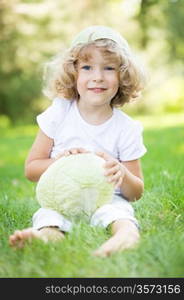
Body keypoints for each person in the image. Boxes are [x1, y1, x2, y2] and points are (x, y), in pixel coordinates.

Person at [9, 25, 147, 257]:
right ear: (73, 74)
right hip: (62, 198)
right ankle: (45, 236)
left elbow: (136, 193)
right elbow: (31, 170)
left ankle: (125, 236)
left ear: (123, 75)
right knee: (49, 216)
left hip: (107, 197)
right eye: (87, 67)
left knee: (121, 214)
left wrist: (121, 172)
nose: (98, 77)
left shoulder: (127, 128)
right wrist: (59, 161)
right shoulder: (59, 113)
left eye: (109, 68)